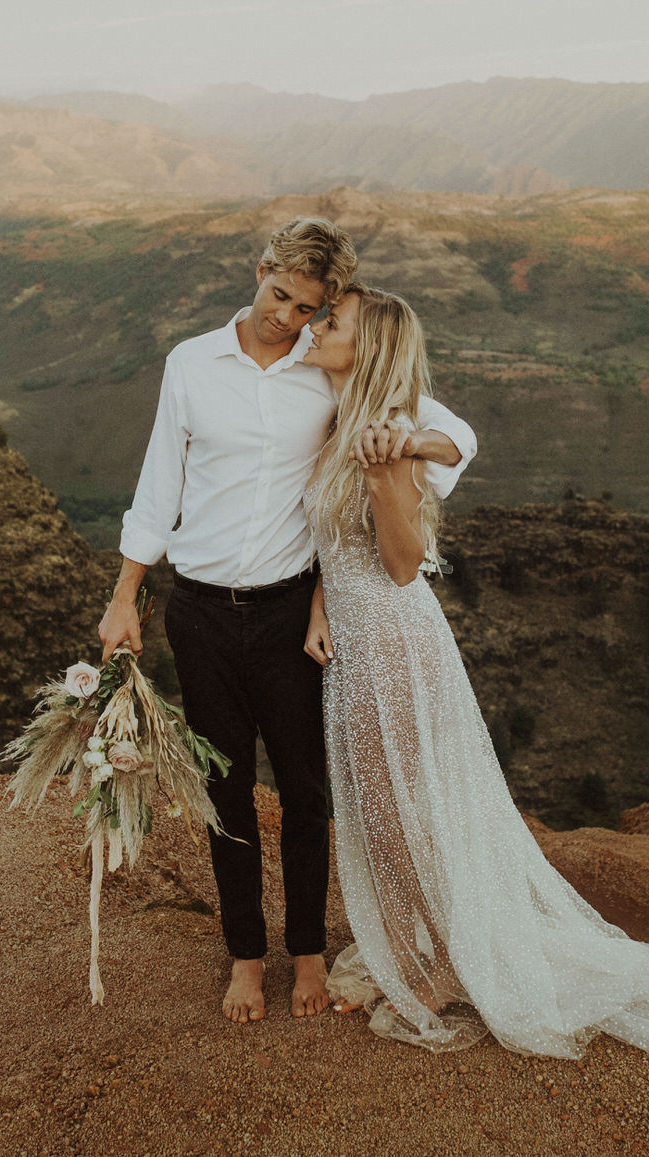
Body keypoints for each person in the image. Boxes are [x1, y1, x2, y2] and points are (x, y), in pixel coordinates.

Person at [298, 284, 649, 1060]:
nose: (314, 326)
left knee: (412, 807)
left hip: (397, 644)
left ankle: (437, 963)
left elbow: (404, 566)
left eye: (329, 321)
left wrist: (386, 476)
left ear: (366, 347)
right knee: (380, 805)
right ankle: (411, 951)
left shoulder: (393, 437)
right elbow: (332, 543)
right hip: (349, 642)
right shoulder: (338, 423)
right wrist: (317, 607)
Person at [99, 217, 478, 1026]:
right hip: (197, 612)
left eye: (309, 308)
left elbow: (458, 432)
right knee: (225, 787)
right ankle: (246, 954)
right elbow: (156, 483)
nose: (287, 318)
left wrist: (415, 441)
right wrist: (126, 593)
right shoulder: (191, 364)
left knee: (306, 791)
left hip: (286, 614)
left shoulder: (327, 367)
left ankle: (306, 948)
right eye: (280, 296)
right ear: (260, 268)